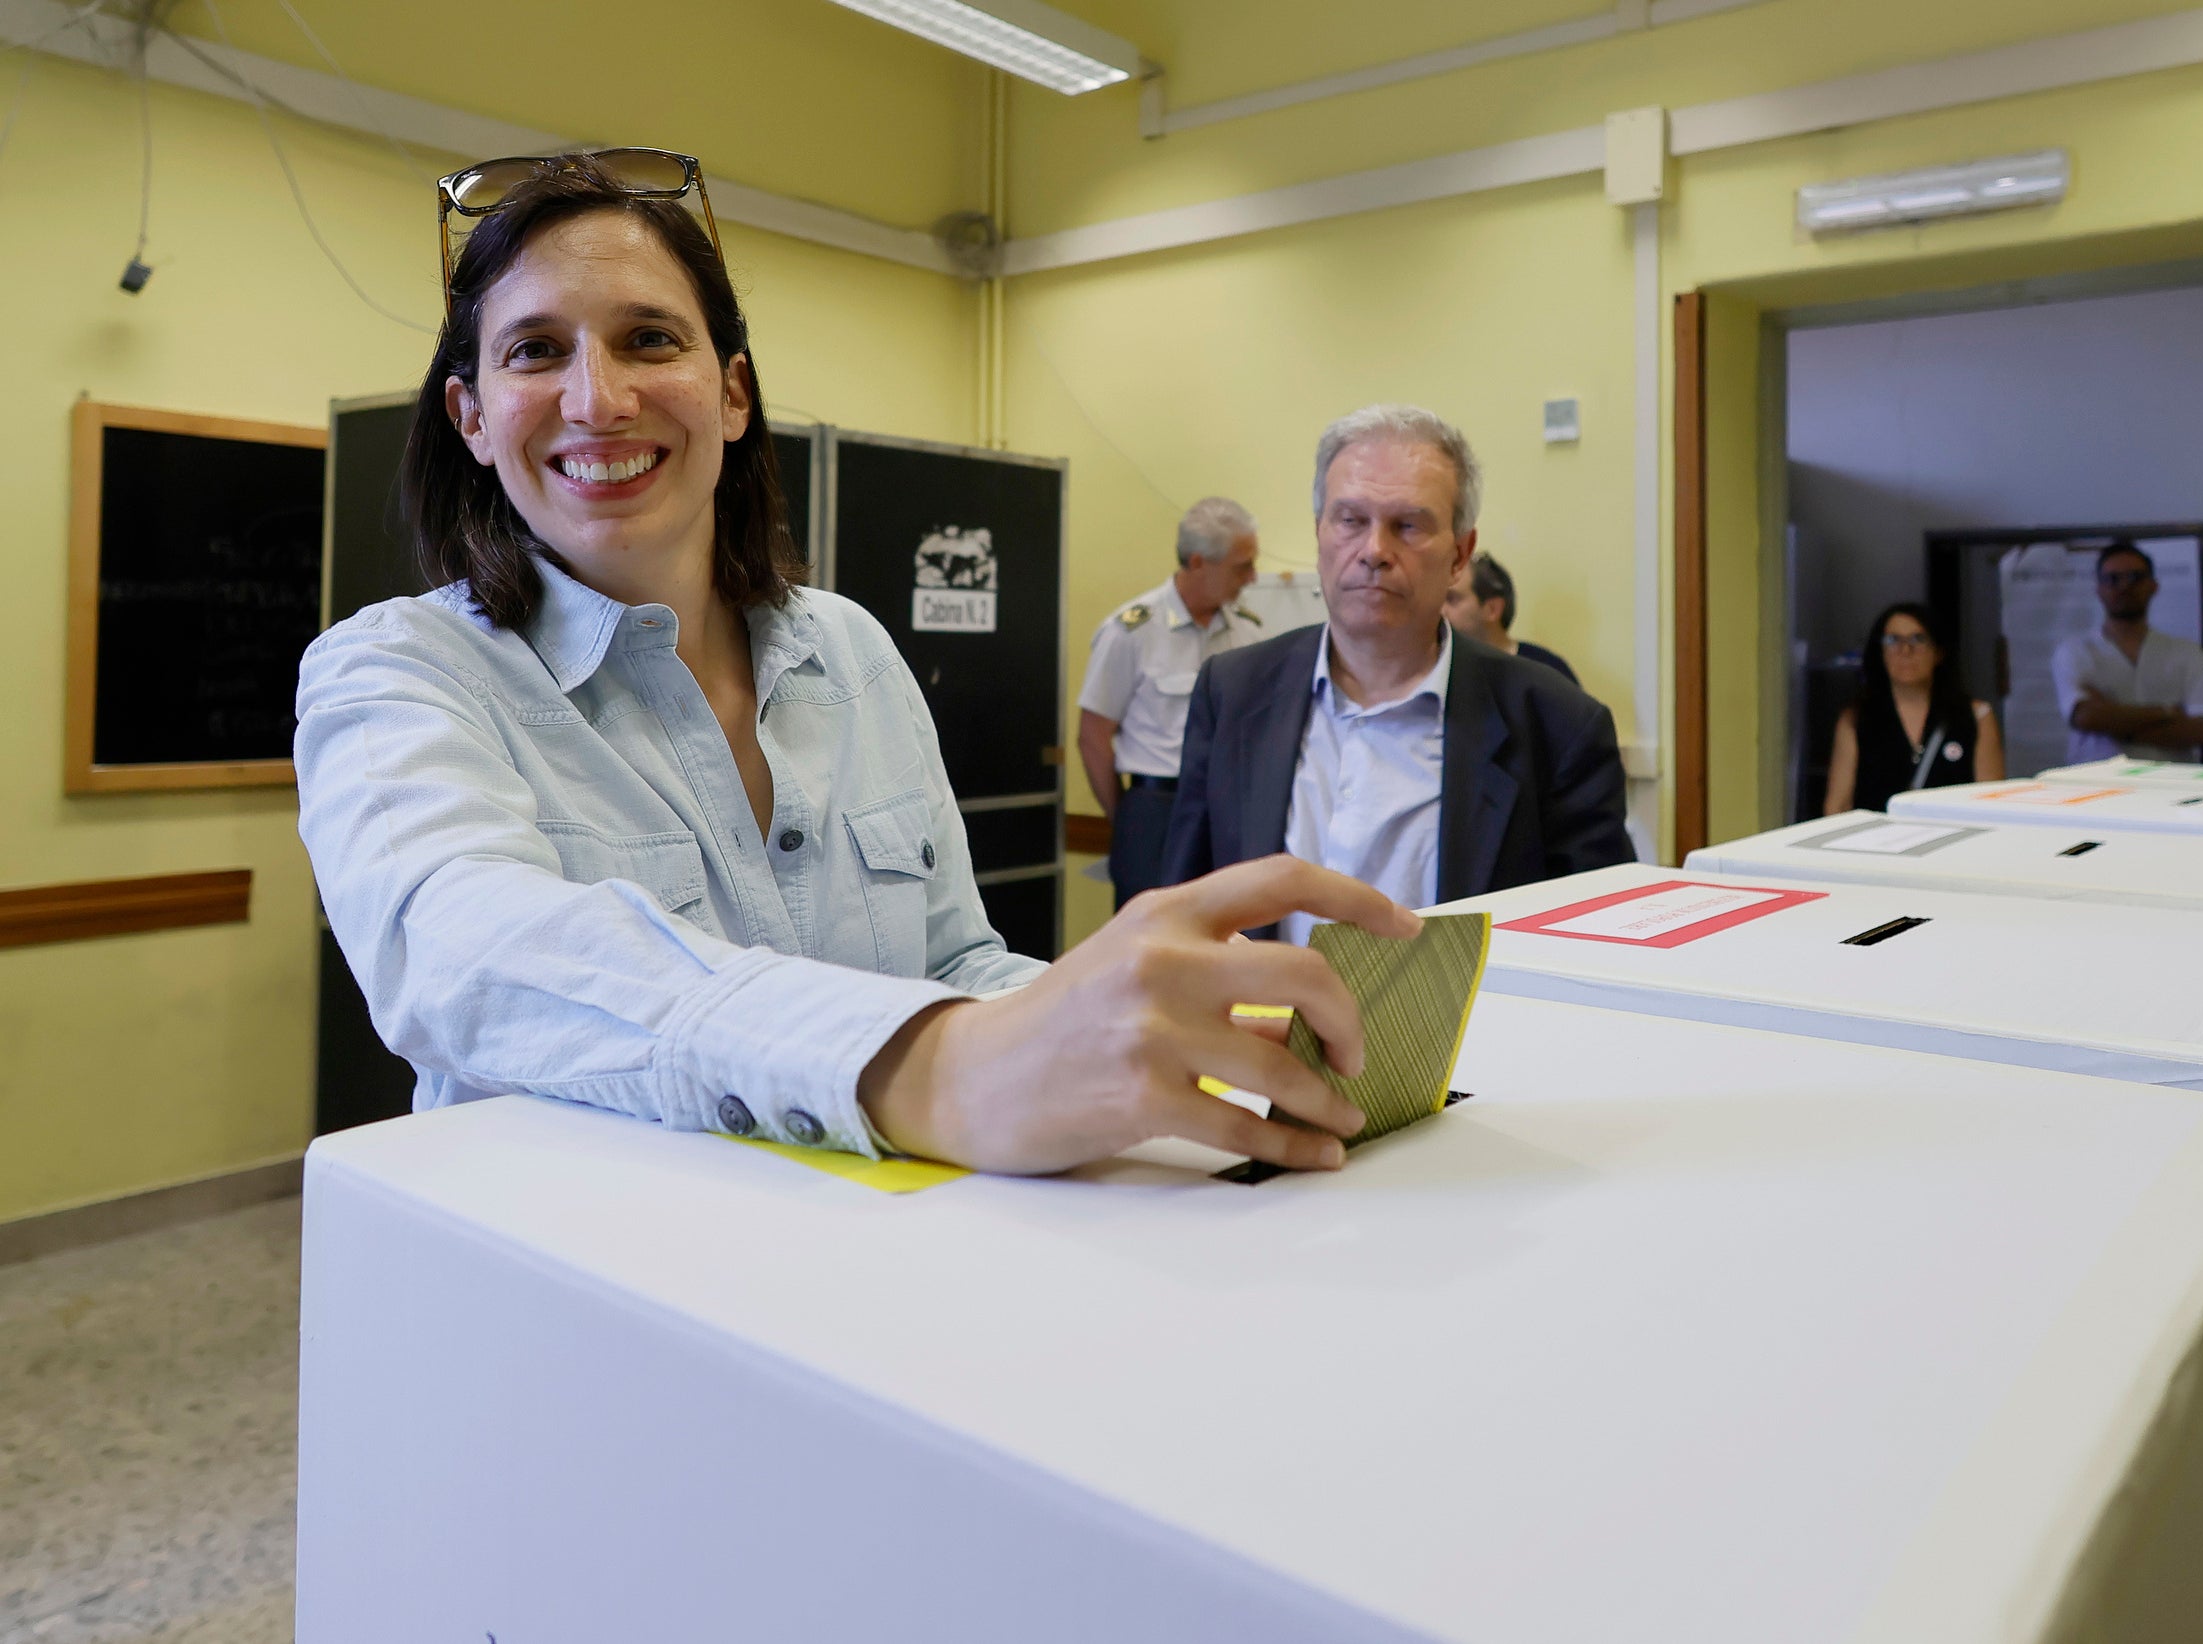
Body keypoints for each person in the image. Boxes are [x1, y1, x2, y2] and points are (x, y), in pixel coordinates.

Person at [295, 151, 1416, 1179]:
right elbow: (465, 958)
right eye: (535, 350)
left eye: (650, 339)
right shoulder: (395, 675)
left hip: (871, 1283)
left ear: (732, 395)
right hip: (585, 1320)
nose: (598, 400)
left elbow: (960, 965)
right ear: (473, 417)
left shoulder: (850, 651)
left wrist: (1177, 1040)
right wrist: (934, 1068)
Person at [1161, 405, 1634, 941]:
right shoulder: (1233, 692)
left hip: (1467, 1025)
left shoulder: (1557, 724)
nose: (1374, 552)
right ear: (1320, 533)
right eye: (1350, 520)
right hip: (1256, 1024)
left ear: (1460, 555)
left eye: (1407, 526)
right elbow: (1182, 914)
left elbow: (1595, 945)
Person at [1076, 498, 1265, 909]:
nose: (1252, 577)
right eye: (1241, 566)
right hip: (1155, 811)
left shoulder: (1246, 633)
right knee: (1149, 947)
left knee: (1228, 935)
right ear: (1198, 562)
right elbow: (1093, 736)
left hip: (1228, 809)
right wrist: (1125, 818)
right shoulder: (1131, 631)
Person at [1823, 602, 2005, 814]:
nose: (1905, 650)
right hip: (1876, 842)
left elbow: (1990, 805)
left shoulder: (1976, 716)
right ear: (1880, 652)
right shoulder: (1856, 719)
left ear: (1938, 652)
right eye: (1893, 640)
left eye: (1918, 639)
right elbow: (1838, 806)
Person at [2050, 540, 2203, 763]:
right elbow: (2086, 717)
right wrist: (2166, 713)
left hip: (2171, 784)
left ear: (2153, 586)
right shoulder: (2074, 652)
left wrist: (2112, 718)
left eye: (2134, 577)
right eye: (2112, 579)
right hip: (2094, 784)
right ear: (2098, 589)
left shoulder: (2189, 654)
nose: (2124, 587)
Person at [1442, 550, 1581, 687]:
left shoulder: (1548, 673)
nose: (1441, 610)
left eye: (1452, 599)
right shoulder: (1439, 668)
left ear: (1492, 609)